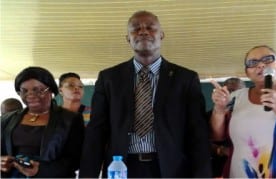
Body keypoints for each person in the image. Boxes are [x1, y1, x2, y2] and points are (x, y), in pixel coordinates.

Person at [79, 10, 211, 178]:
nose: (143, 31)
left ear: (161, 35)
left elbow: (197, 133)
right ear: (128, 38)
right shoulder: (109, 78)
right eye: (135, 28)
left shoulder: (185, 78)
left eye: (150, 27)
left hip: (172, 169)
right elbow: (96, 132)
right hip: (121, 168)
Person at [210, 45, 276, 178]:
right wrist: (219, 109)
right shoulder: (236, 97)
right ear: (247, 73)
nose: (261, 65)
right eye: (253, 63)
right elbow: (217, 136)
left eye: (268, 59)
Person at [1, 66, 85, 178]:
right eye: (24, 91)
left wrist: (40, 171)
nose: (30, 95)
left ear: (51, 90)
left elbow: (76, 160)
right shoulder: (7, 119)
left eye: (37, 90)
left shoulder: (70, 119)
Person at [210, 77, 245, 177]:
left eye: (239, 92)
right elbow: (201, 142)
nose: (233, 95)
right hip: (218, 169)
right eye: (229, 91)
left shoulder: (252, 116)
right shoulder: (209, 115)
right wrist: (221, 150)